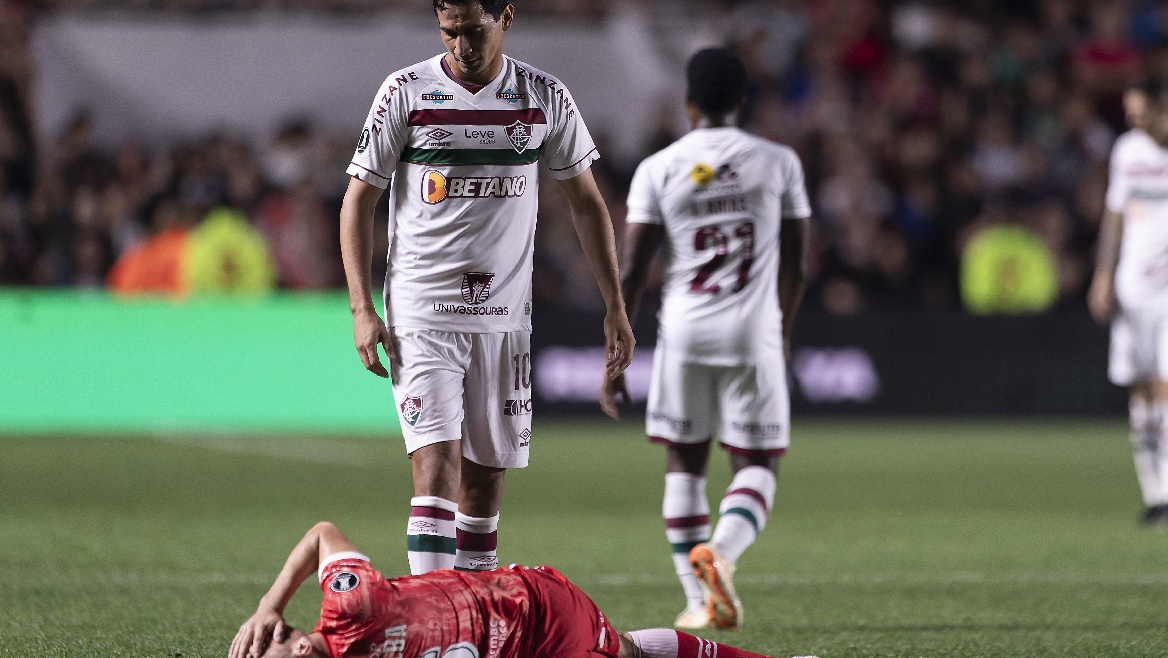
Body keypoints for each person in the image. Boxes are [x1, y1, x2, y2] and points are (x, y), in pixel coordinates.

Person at [339, 0, 635, 575]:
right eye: (449, 33)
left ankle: (474, 626)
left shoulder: (543, 96)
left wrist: (614, 304)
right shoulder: (405, 92)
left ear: (506, 17)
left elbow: (588, 204)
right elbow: (358, 199)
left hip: (504, 316)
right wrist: (360, 306)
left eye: (473, 31)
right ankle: (434, 627)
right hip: (422, 311)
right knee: (438, 470)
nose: (461, 46)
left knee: (484, 484)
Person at [600, 48, 811, 630]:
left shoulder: (659, 167)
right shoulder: (778, 162)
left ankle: (696, 600)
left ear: (688, 102)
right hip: (753, 333)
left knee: (684, 465)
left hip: (685, 332)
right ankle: (723, 552)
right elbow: (797, 264)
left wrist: (616, 353)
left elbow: (633, 269)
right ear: (743, 100)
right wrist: (785, 330)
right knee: (757, 462)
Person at [227, 521, 779, 658]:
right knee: (628, 649)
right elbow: (321, 535)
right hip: (529, 598)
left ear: (299, 646)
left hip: (540, 622)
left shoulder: (352, 607)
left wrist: (267, 605)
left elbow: (323, 534)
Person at [1088, 79, 1168, 526]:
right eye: (1130, 115)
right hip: (1131, 288)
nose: (1135, 123)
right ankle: (1155, 492)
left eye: (1142, 114)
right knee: (1139, 390)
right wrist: (1102, 274)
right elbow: (1115, 215)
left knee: (1166, 386)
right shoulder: (1127, 152)